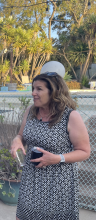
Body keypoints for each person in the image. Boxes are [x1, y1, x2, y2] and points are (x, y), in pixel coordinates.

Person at [11, 70, 91, 220]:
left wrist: (57, 158)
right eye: (33, 88)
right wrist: (17, 139)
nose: (33, 93)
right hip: (31, 180)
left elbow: (84, 151)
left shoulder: (70, 116)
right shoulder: (31, 112)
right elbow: (21, 135)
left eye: (39, 89)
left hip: (57, 184)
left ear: (54, 91)